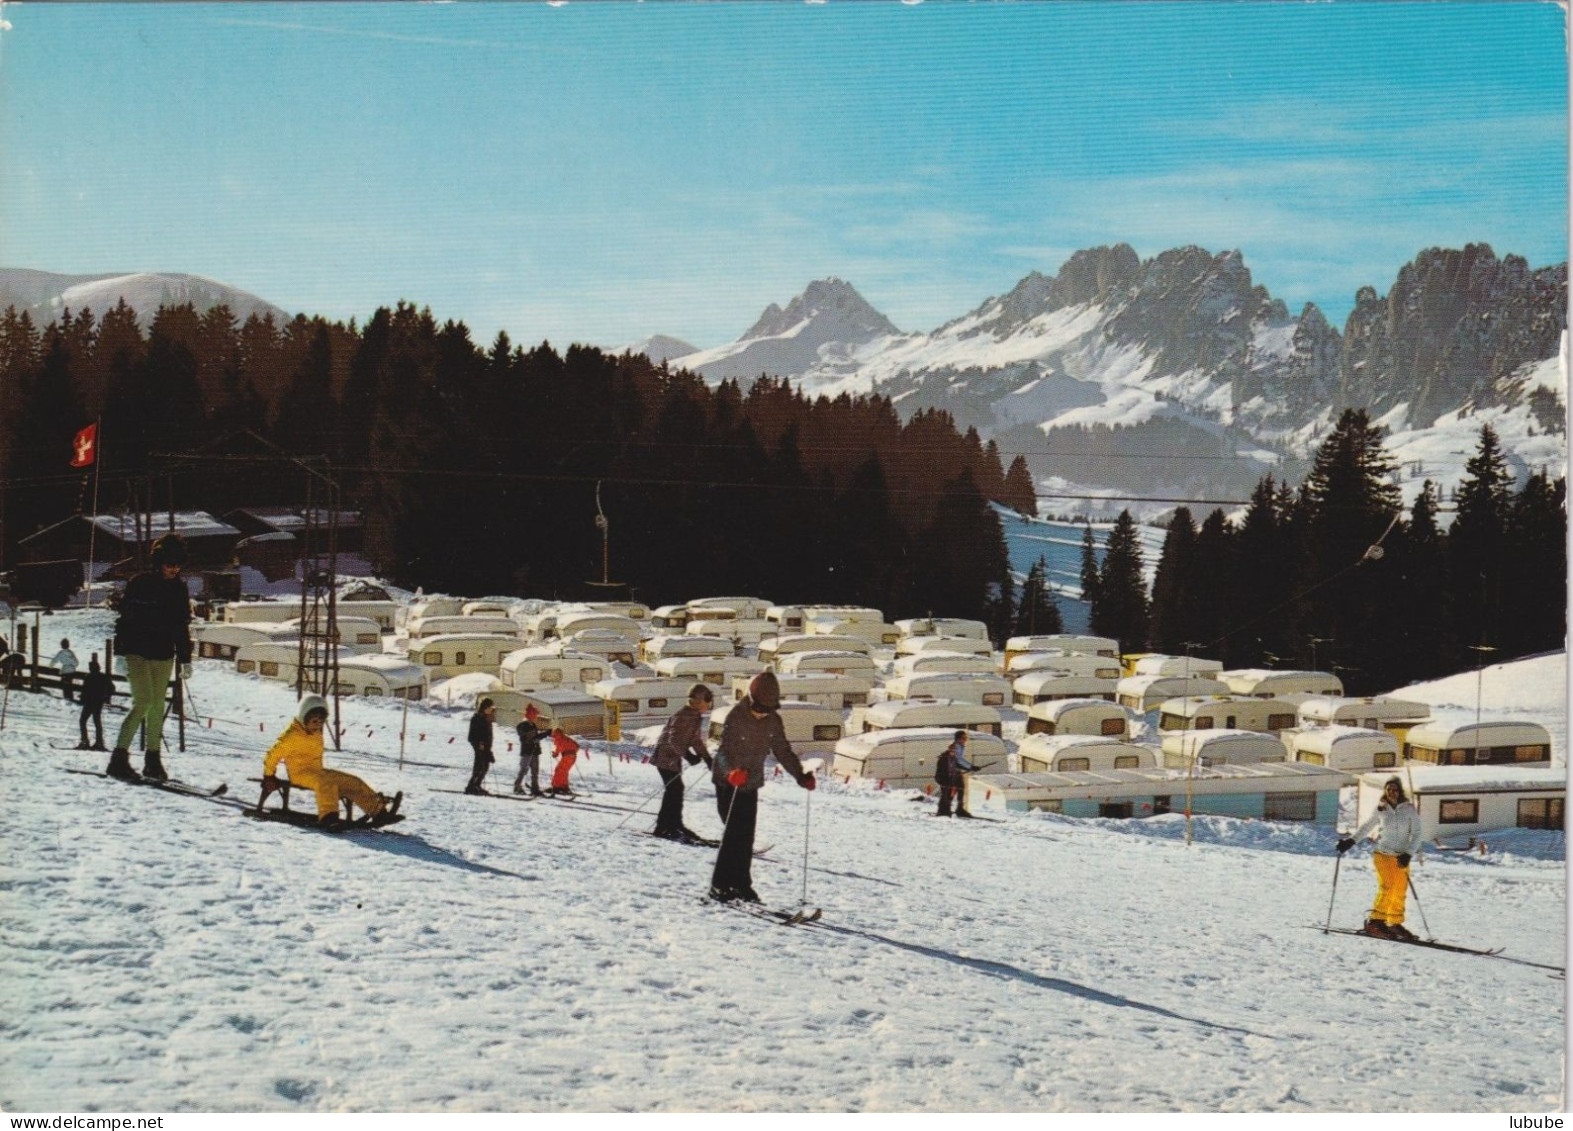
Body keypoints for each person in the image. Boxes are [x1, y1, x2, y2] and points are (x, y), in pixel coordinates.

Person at [709, 671, 815, 904]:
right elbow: (724, 752)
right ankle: (719, 885)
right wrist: (731, 772)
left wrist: (800, 776)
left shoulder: (773, 721)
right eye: (759, 708)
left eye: (767, 710)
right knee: (733, 834)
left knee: (746, 836)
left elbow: (783, 751)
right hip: (728, 782)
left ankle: (741, 885)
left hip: (751, 783)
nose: (761, 713)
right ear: (750, 699)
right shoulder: (736, 716)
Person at [107, 534, 193, 781]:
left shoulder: (179, 588)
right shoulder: (140, 583)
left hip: (164, 654)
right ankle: (118, 758)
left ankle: (152, 761)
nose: (174, 569)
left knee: (156, 708)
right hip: (137, 652)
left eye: (178, 564)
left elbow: (181, 625)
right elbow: (125, 620)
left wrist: (185, 658)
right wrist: (120, 652)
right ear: (159, 562)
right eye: (169, 564)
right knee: (143, 701)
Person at [261, 694, 401, 829]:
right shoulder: (291, 736)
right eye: (314, 721)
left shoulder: (314, 732)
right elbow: (272, 755)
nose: (318, 725)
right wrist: (269, 775)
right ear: (304, 717)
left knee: (353, 781)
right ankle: (328, 817)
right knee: (326, 783)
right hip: (300, 774)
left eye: (321, 721)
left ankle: (378, 813)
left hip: (317, 771)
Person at [1337, 776, 1425, 941]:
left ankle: (1393, 922)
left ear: (1400, 792)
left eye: (1395, 789)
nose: (1392, 792)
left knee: (1399, 890)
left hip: (1401, 857)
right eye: (1389, 789)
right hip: (1383, 854)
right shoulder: (1381, 808)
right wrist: (1350, 841)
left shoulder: (1409, 809)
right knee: (1388, 886)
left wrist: (1408, 854)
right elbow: (1366, 827)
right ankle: (1375, 922)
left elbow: (1418, 834)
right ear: (1385, 791)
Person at [651, 683, 714, 842]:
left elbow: (695, 740)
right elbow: (674, 739)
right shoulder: (685, 715)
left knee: (676, 789)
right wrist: (688, 756)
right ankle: (665, 827)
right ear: (700, 701)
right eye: (708, 701)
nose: (709, 705)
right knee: (674, 790)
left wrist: (707, 758)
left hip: (672, 759)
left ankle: (673, 824)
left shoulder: (693, 715)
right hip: (665, 758)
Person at [934, 729, 976, 818]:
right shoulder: (956, 747)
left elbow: (956, 762)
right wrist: (970, 767)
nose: (965, 740)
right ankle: (944, 810)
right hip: (946, 776)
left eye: (966, 738)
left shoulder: (960, 747)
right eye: (963, 738)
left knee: (959, 789)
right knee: (947, 792)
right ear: (958, 739)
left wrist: (968, 768)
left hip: (953, 773)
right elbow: (959, 760)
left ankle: (954, 809)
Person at [77, 654, 114, 751]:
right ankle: (99, 742)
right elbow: (112, 688)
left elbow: (85, 690)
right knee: (97, 722)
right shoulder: (104, 677)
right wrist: (106, 696)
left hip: (90, 702)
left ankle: (85, 741)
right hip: (98, 702)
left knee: (83, 720)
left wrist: (82, 699)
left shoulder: (88, 677)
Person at [513, 703, 548, 796]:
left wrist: (545, 733)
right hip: (527, 751)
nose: (536, 716)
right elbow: (529, 738)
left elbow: (535, 737)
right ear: (530, 714)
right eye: (535, 714)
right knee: (524, 769)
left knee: (535, 770)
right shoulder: (523, 725)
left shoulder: (532, 724)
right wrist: (544, 734)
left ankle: (535, 788)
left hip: (535, 751)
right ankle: (517, 787)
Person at [464, 697, 496, 795]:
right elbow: (472, 735)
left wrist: (489, 750)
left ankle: (477, 785)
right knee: (479, 766)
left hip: (486, 746)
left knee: (485, 767)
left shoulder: (488, 719)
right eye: (490, 707)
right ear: (485, 707)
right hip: (479, 746)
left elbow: (488, 735)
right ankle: (471, 786)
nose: (491, 710)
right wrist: (479, 744)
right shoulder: (477, 718)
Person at [546, 728, 580, 797]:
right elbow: (577, 746)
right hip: (573, 757)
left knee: (558, 770)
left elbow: (559, 748)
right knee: (564, 771)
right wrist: (572, 752)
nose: (553, 737)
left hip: (567, 757)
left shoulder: (559, 738)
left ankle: (555, 788)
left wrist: (555, 754)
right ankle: (564, 787)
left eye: (554, 735)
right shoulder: (566, 738)